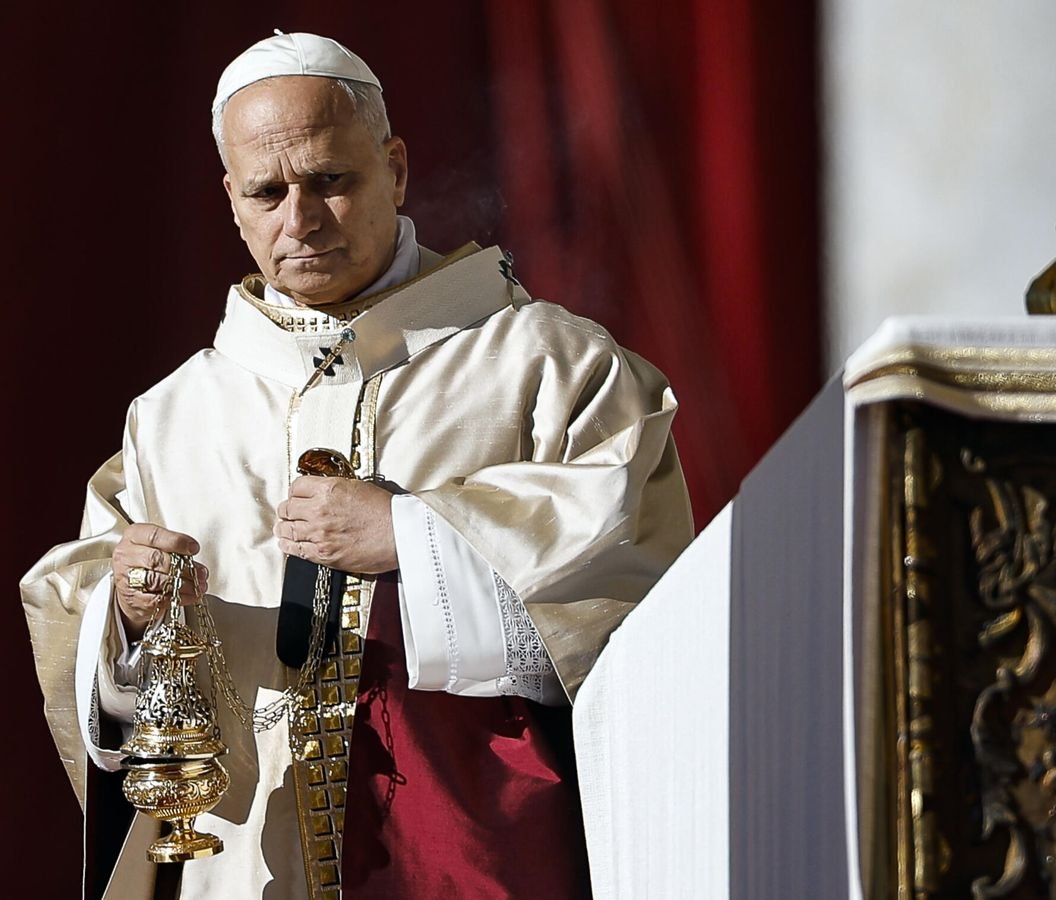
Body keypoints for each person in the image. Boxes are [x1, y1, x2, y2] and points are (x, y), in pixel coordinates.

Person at [21, 31, 692, 900]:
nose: (299, 221)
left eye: (329, 180)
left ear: (396, 169)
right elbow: (99, 670)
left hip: (473, 856)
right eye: (267, 193)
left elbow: (643, 593)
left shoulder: (546, 363)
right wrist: (128, 617)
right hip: (246, 869)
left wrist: (415, 535)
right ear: (231, 200)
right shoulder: (172, 417)